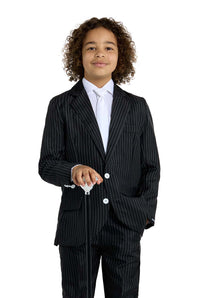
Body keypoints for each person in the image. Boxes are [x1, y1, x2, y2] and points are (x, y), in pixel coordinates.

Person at [38, 17, 160, 298]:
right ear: (79, 56)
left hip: (125, 223)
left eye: (109, 48)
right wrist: (73, 170)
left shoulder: (137, 107)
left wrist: (144, 214)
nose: (100, 54)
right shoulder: (61, 105)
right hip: (78, 224)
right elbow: (47, 164)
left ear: (121, 55)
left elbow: (151, 166)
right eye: (91, 48)